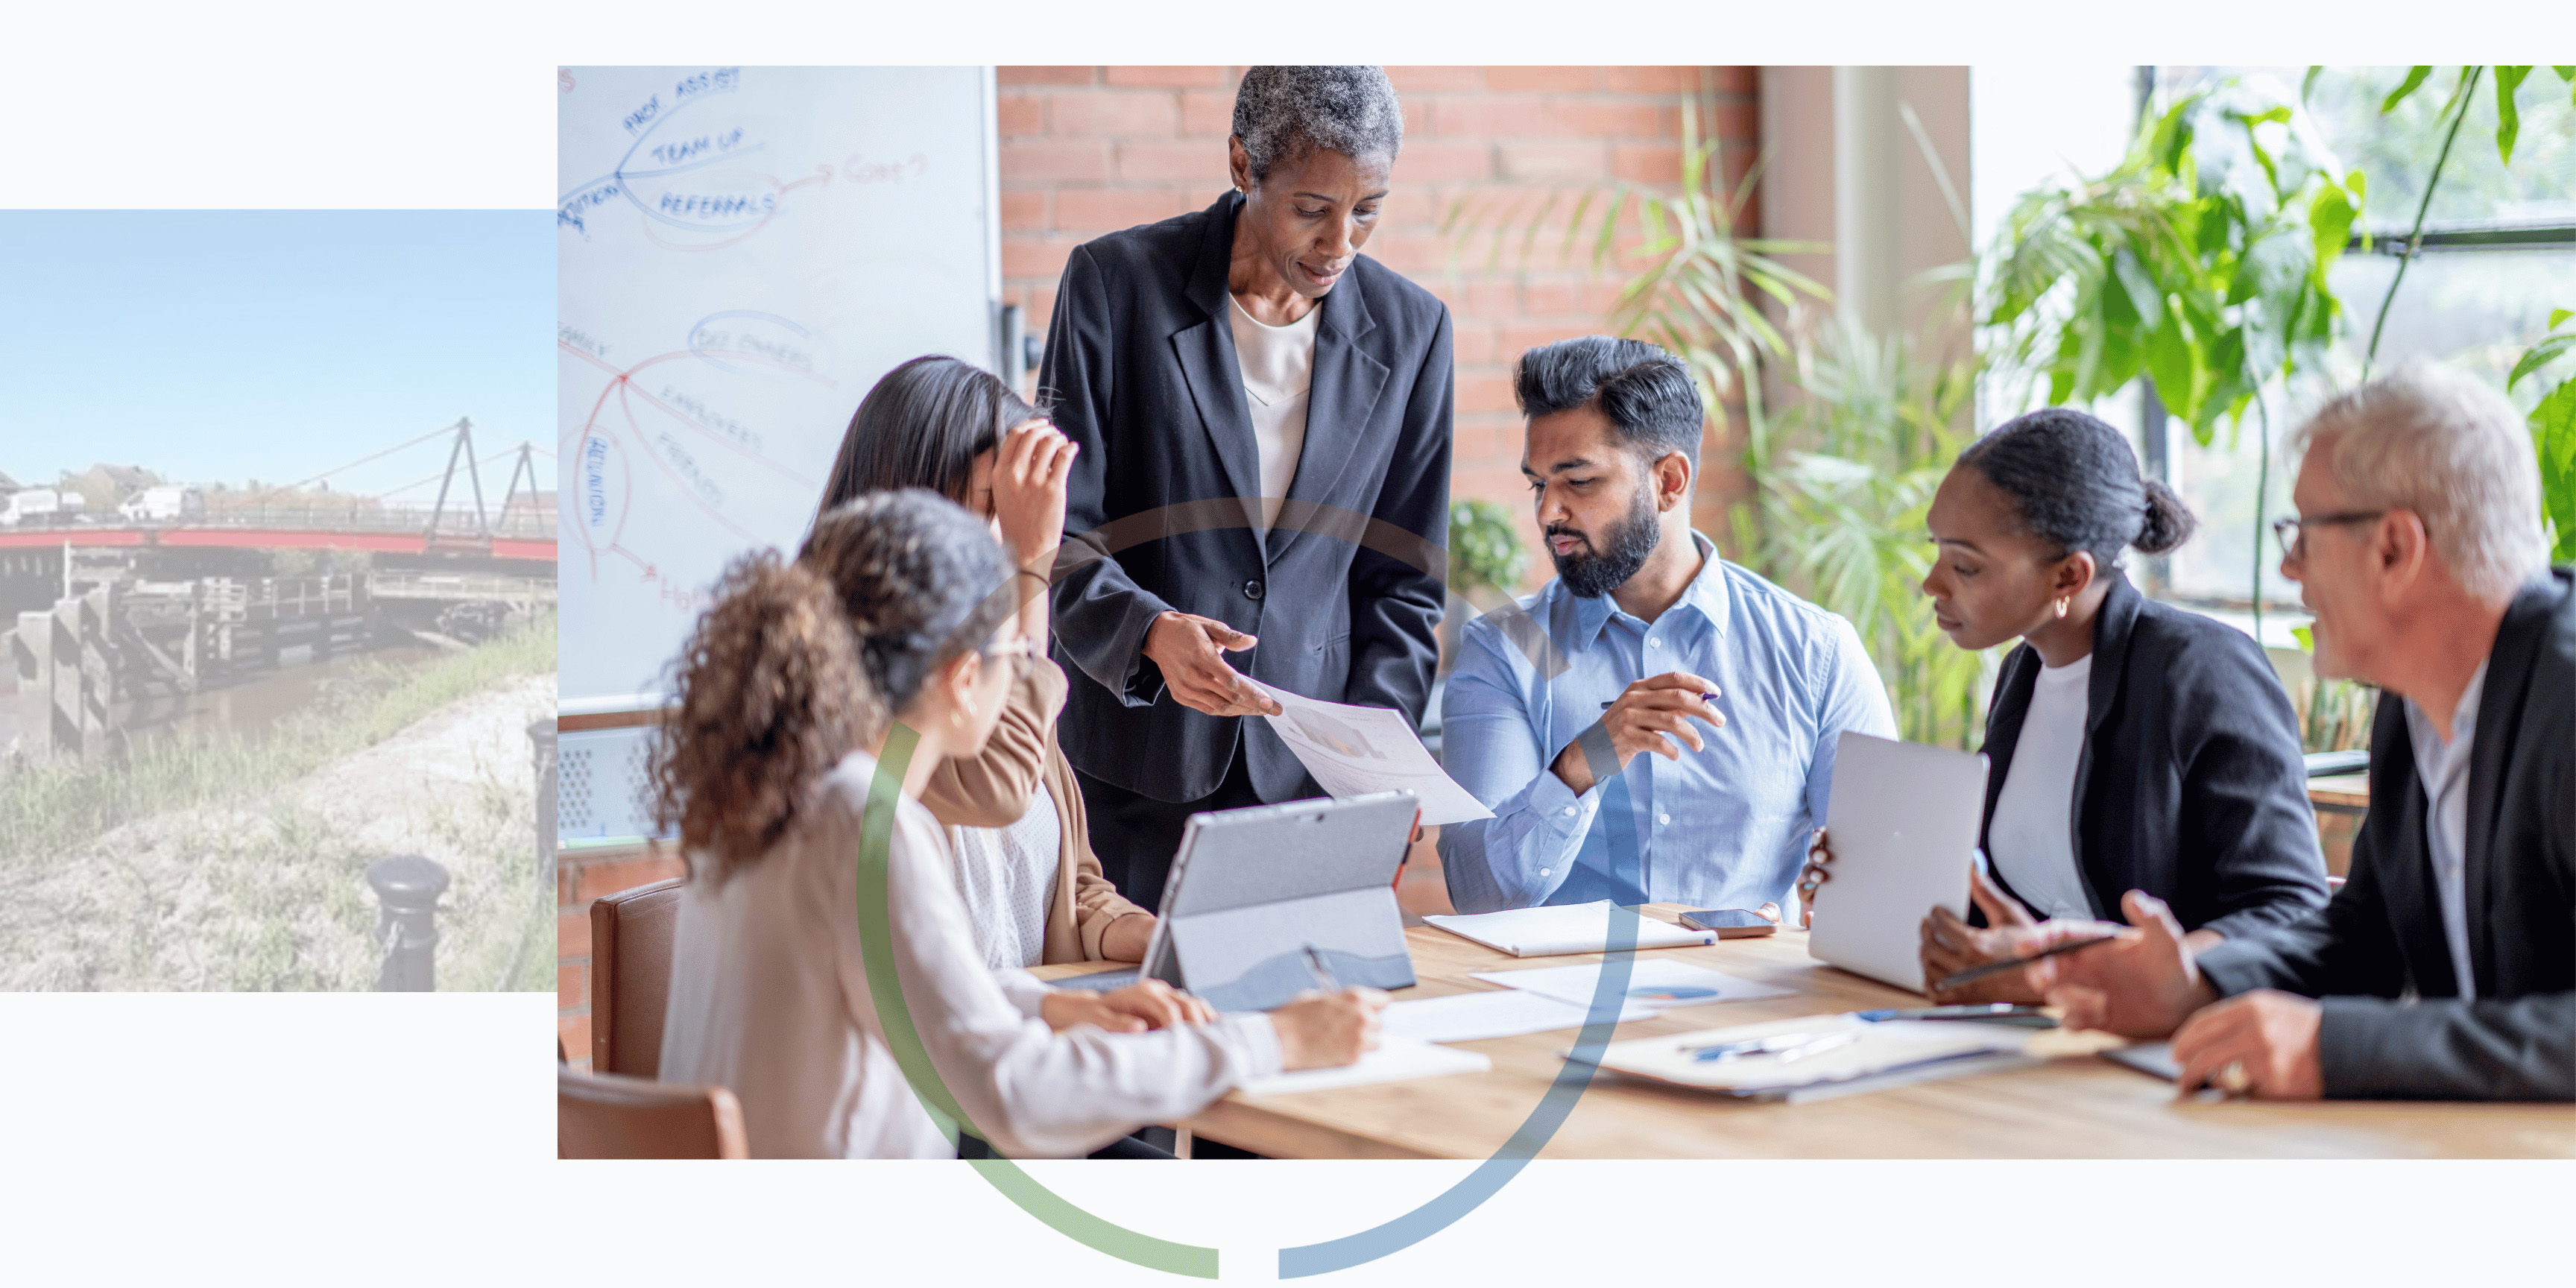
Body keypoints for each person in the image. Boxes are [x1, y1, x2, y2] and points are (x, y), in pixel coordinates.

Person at [654, 490, 1384, 1158]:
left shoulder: (771, 798)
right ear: (963, 679)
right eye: (1014, 656)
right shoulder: (860, 823)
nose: (1035, 682)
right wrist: (1274, 1040)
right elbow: (1015, 1096)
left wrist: (1049, 1004)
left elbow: (898, 991)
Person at [2024, 363, 2572, 1102]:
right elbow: (2364, 936)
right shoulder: (2415, 702)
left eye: (2304, 534)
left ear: (2394, 549)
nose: (2288, 567)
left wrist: (2341, 1049)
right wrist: (2196, 982)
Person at [1041, 66, 1451, 912]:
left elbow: (1404, 584)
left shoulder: (1414, 331)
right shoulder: (1114, 287)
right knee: (1144, 1024)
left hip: (1311, 786)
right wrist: (1149, 631)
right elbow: (1058, 533)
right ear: (1242, 165)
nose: (1342, 242)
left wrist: (1374, 769)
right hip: (1137, 772)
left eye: (1368, 209)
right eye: (1312, 208)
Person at [1795, 408, 2331, 1000]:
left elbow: (2288, 910)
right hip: (2042, 1031)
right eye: (1938, 551)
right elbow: (2022, 906)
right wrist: (1874, 888)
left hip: (2166, 1050)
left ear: (2069, 578)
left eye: (1965, 566)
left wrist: (2059, 970)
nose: (1932, 584)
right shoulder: (2024, 673)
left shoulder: (2202, 670)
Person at [1439, 336, 1897, 914]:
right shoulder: (1504, 651)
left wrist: (1827, 902)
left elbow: (1885, 882)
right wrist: (1584, 763)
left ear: (1669, 482)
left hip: (1749, 998)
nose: (1548, 513)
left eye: (1578, 482)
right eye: (1539, 484)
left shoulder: (1816, 653)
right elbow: (1480, 895)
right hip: (1571, 1000)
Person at [814, 355, 1155, 967]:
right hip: (933, 1046)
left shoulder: (985, 651)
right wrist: (1031, 567)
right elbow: (999, 789)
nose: (1005, 535)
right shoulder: (846, 676)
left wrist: (1132, 931)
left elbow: (1070, 879)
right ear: (915, 502)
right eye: (992, 506)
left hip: (1016, 1023)